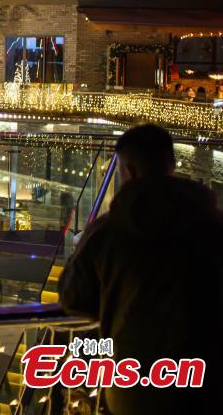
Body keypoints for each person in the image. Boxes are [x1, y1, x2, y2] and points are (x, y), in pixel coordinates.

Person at [59, 124, 223, 415]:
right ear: (171, 165)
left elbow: (73, 296)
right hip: (205, 381)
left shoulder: (109, 231)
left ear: (129, 171)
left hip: (136, 386)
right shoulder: (212, 226)